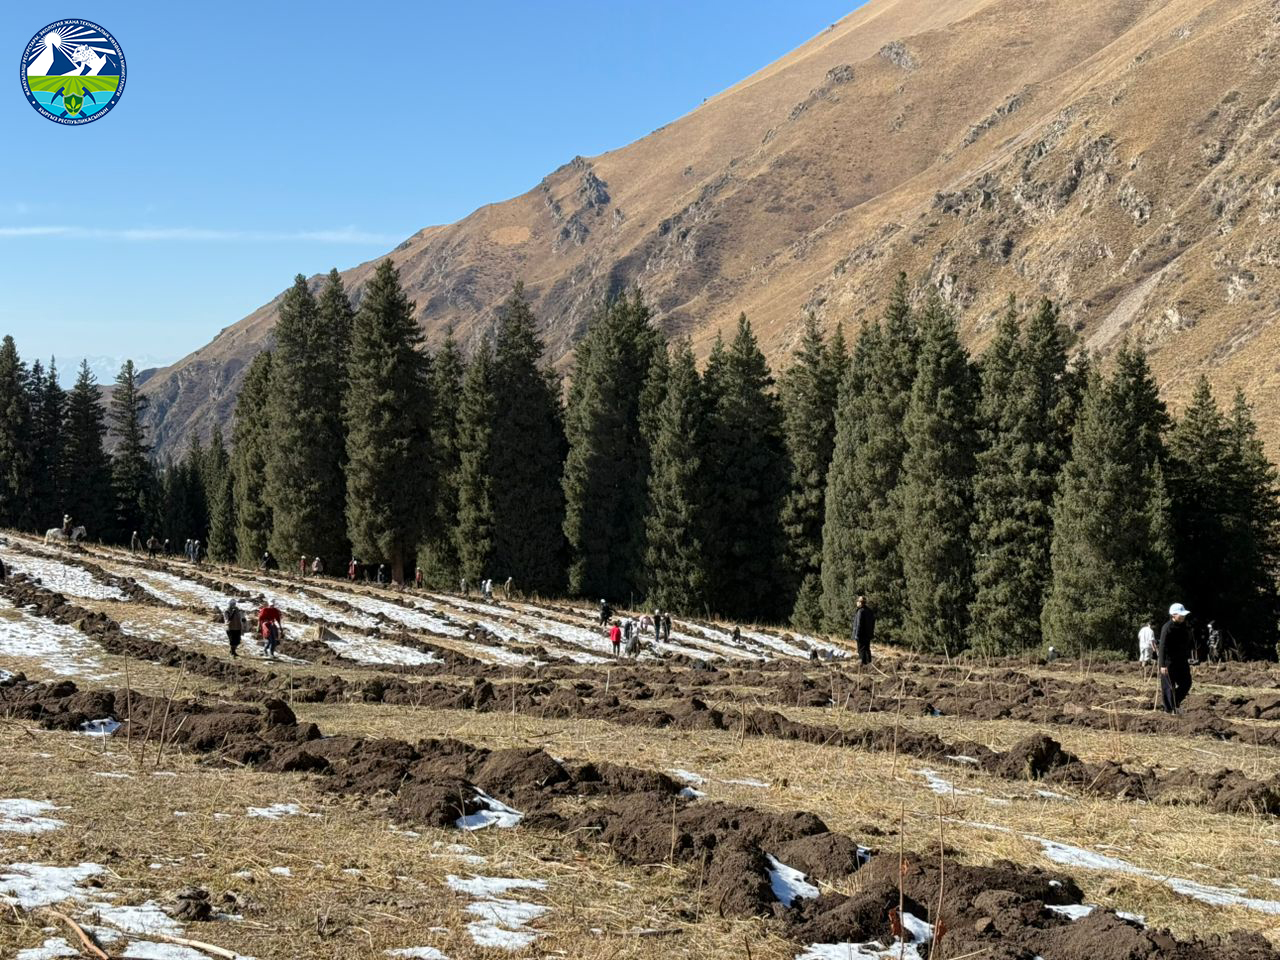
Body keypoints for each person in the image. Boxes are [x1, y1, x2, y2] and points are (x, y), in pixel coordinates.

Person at [1159, 602, 1194, 714]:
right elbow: (1162, 646)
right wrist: (1162, 665)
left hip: (1182, 661)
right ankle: (1169, 710)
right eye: (1181, 614)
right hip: (1169, 662)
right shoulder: (1167, 627)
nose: (1183, 616)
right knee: (1169, 687)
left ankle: (1175, 702)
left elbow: (1187, 643)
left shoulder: (1185, 626)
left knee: (1187, 683)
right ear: (1173, 615)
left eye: (1184, 614)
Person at [852, 595, 876, 666]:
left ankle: (862, 664)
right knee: (867, 649)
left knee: (861, 650)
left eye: (857, 601)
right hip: (868, 634)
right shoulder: (869, 611)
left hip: (861, 635)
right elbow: (873, 623)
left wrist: (857, 635)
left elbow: (859, 624)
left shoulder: (860, 611)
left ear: (860, 603)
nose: (856, 603)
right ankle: (869, 664)